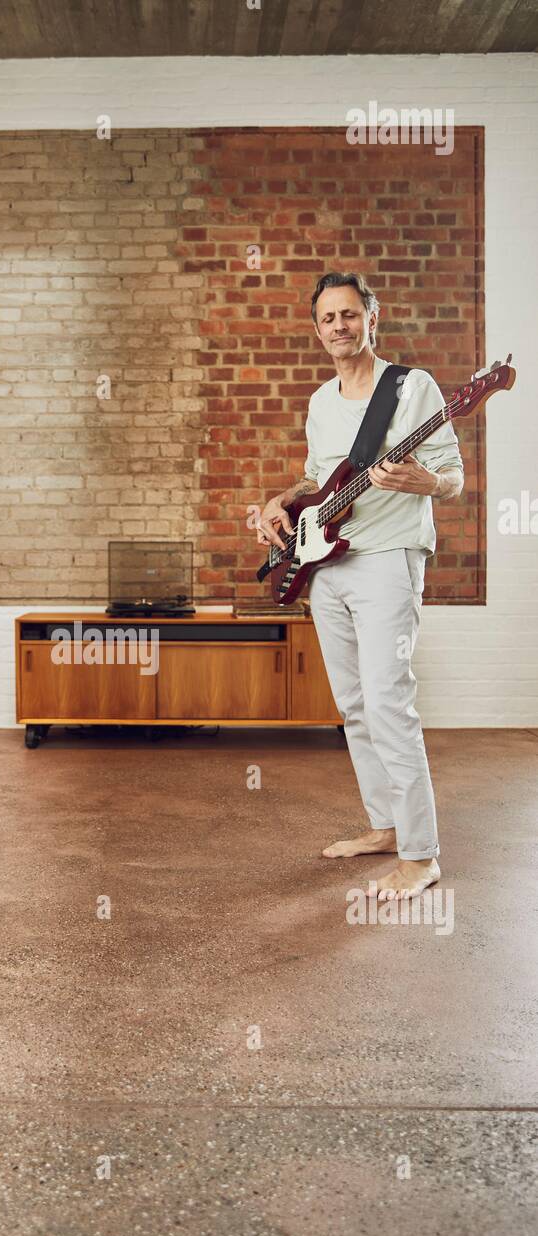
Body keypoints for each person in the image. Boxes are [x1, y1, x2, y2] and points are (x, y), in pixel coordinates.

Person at [257, 271, 464, 900]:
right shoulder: (321, 401)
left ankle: (421, 856)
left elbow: (452, 476)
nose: (339, 326)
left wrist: (424, 484)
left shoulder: (413, 387)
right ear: (317, 328)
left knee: (388, 702)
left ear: (372, 317)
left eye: (350, 314)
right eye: (327, 318)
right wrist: (281, 500)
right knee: (352, 706)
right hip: (328, 565)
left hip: (388, 559)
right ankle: (386, 826)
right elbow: (318, 477)